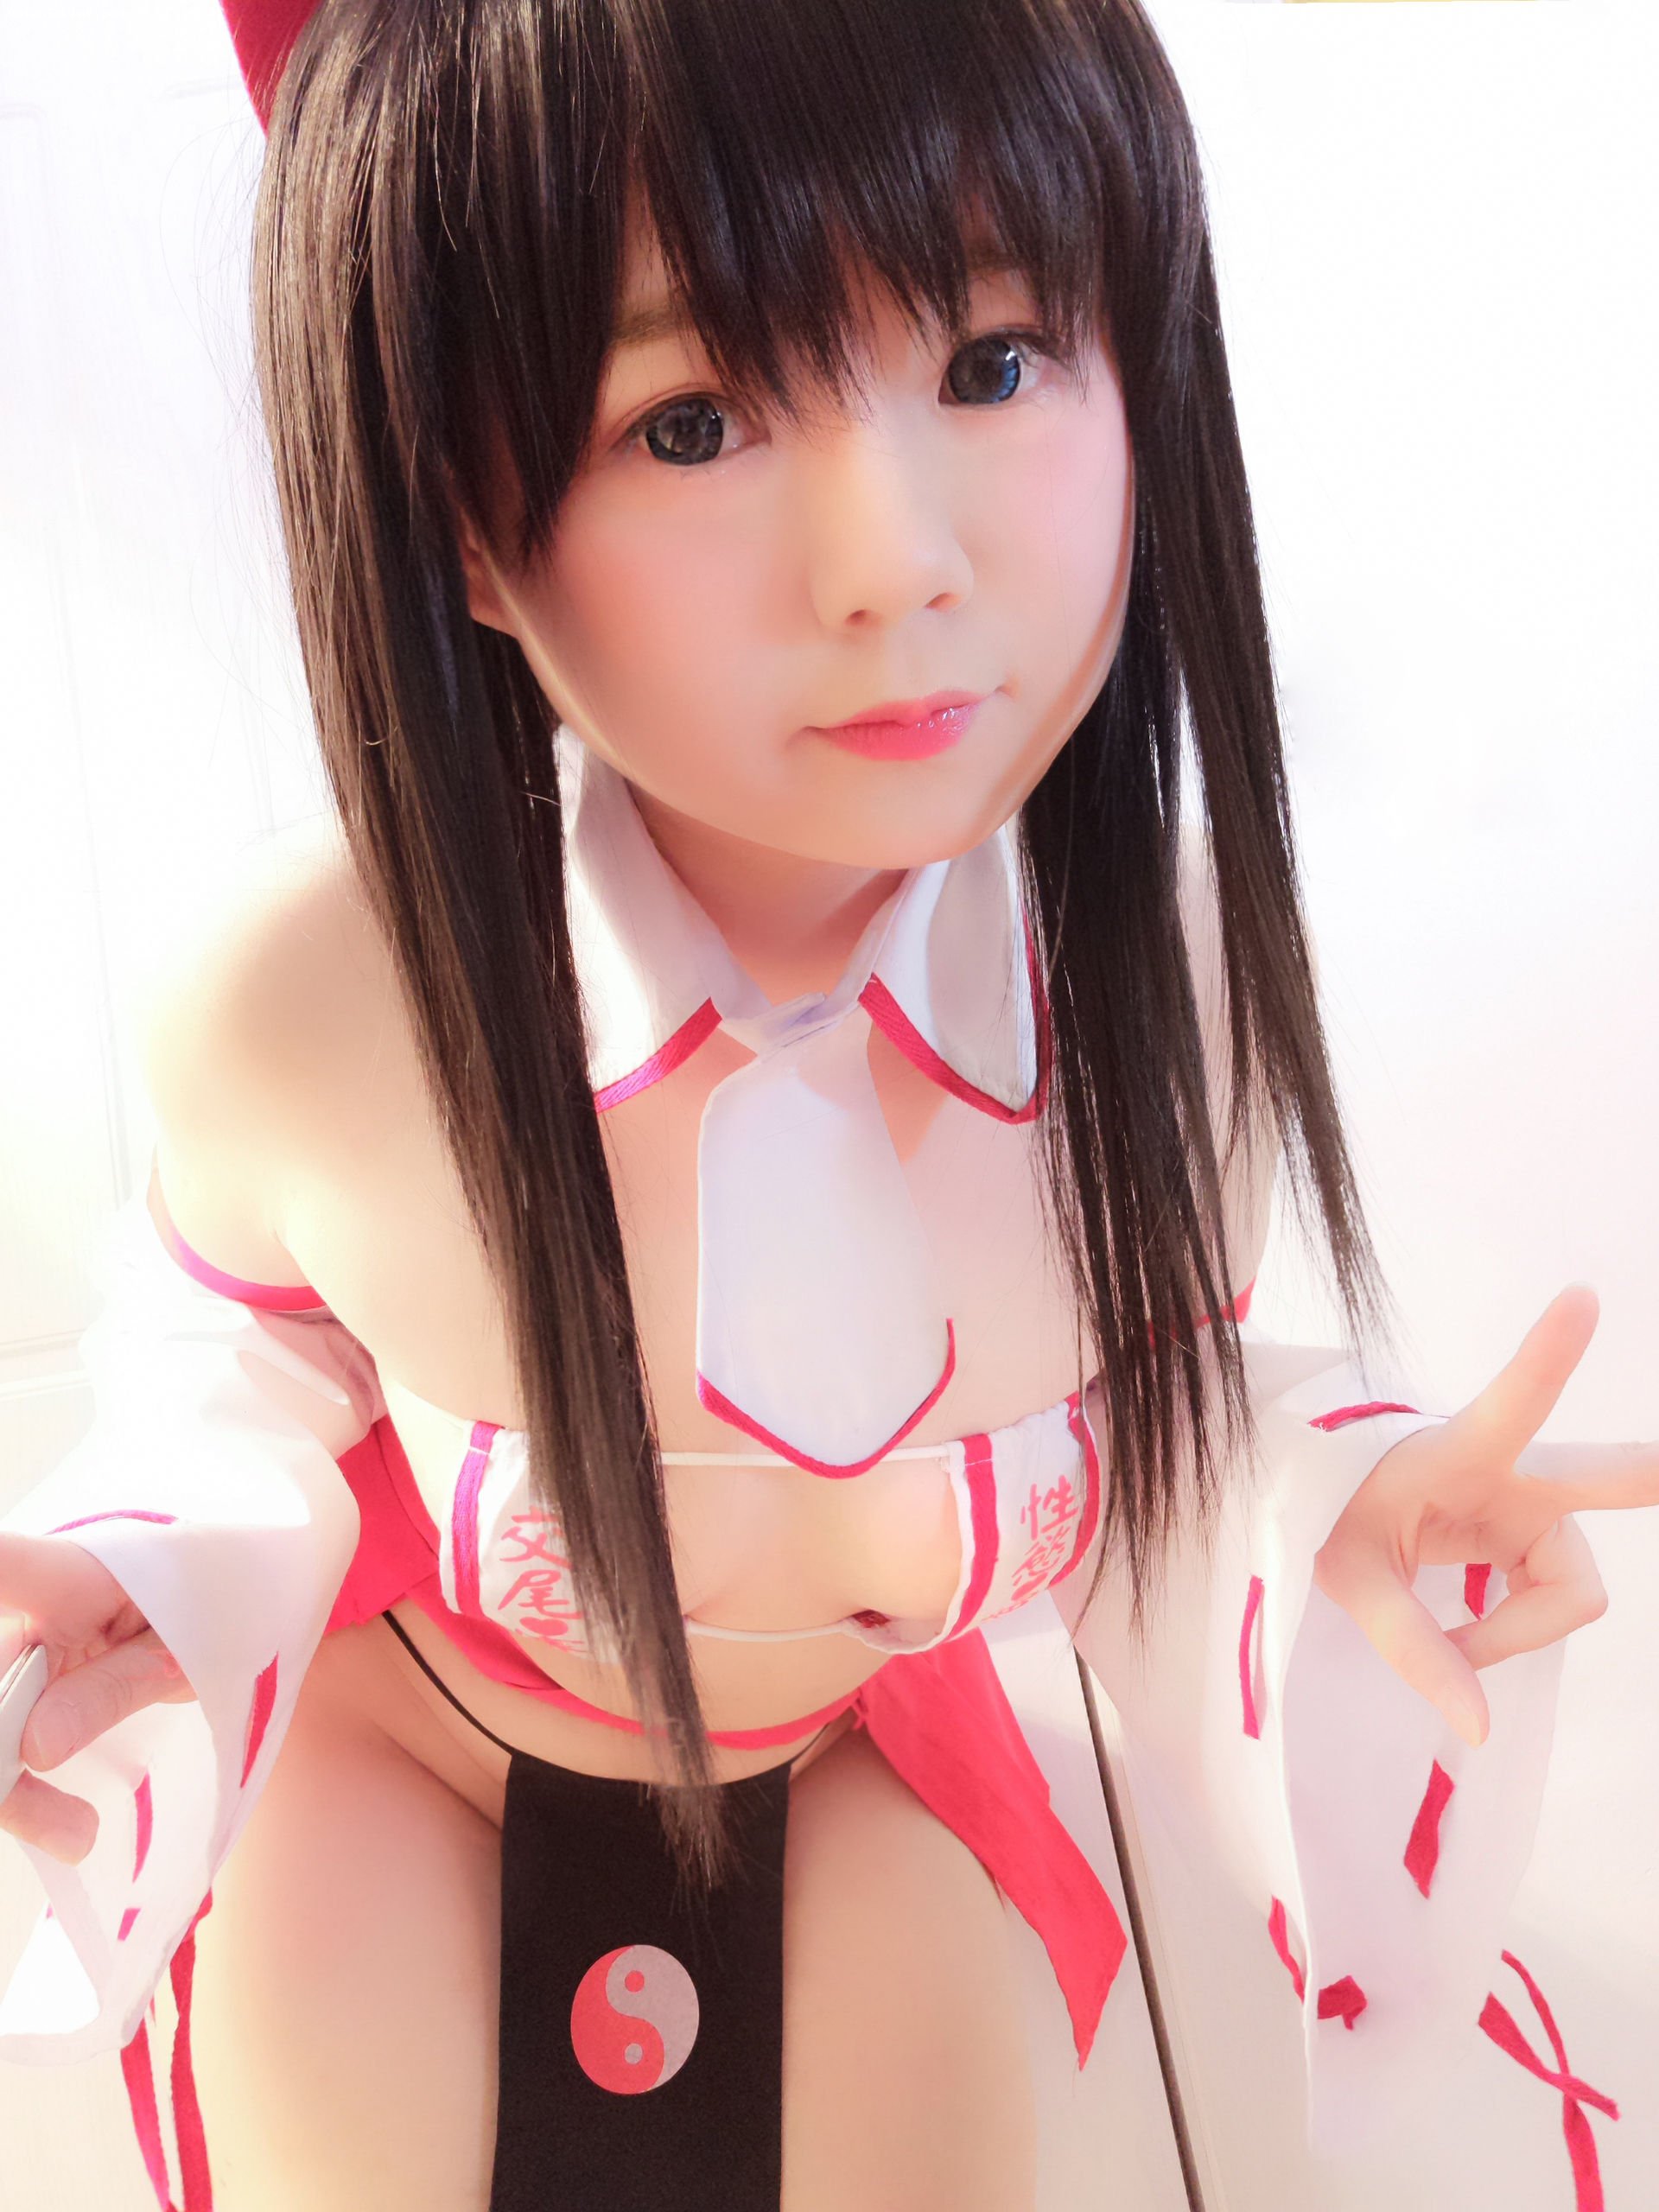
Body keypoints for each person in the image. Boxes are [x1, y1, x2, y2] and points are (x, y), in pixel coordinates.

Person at [0, 3, 1651, 2207]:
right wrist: (134, 1563)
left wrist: (1334, 1501)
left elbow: (1161, 1410)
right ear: (461, 521)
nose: (896, 561)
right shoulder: (318, 1006)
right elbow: (238, 1356)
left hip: (845, 1753)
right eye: (691, 420)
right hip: (414, 1739)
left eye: (993, 359)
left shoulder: (1165, 1000)